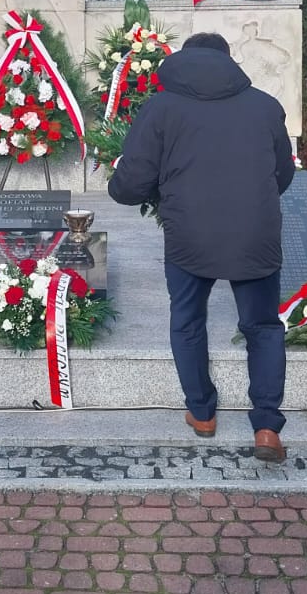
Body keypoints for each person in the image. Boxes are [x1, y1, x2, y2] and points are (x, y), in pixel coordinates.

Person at [108, 31, 296, 461]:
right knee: (263, 327)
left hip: (189, 233)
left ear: (184, 60)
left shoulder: (161, 107)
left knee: (188, 320)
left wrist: (124, 188)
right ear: (228, 62)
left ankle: (202, 412)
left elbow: (134, 180)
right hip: (254, 232)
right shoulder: (265, 106)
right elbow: (283, 174)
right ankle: (267, 427)